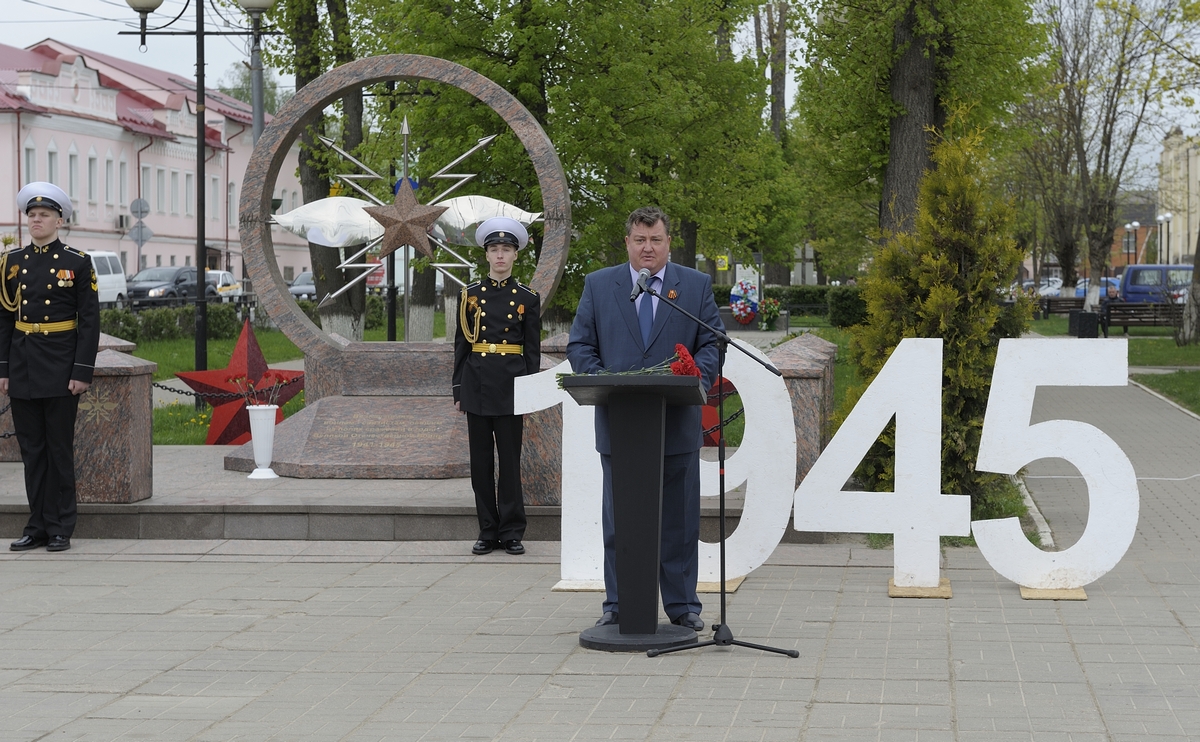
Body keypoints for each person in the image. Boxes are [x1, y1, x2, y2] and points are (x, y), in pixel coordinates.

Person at [566, 206, 722, 632]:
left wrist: (696, 377)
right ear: (627, 242)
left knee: (679, 521)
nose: (647, 248)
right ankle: (619, 604)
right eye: (640, 240)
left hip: (677, 424)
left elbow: (711, 343)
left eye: (655, 240)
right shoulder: (600, 285)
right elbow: (580, 345)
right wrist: (602, 379)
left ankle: (682, 605)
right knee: (621, 522)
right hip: (621, 426)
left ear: (668, 242)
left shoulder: (694, 286)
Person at [2, 182, 100, 553]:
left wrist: (82, 371)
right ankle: (37, 526)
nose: (36, 220)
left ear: (59, 221)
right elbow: (4, 320)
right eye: (32, 215)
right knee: (32, 451)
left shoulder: (77, 262)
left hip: (60, 365)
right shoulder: (11, 263)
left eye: (44, 215)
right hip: (24, 363)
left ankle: (61, 527)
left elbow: (89, 321)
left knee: (59, 449)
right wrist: (3, 369)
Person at [453, 216, 541, 556]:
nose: (500, 255)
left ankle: (512, 531)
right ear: (486, 255)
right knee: (480, 465)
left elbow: (531, 351)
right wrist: (458, 389)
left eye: (506, 249)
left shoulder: (527, 298)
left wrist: (530, 391)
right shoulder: (470, 296)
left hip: (511, 387)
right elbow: (461, 346)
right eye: (494, 249)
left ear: (516, 255)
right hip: (477, 385)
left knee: (510, 462)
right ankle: (487, 531)